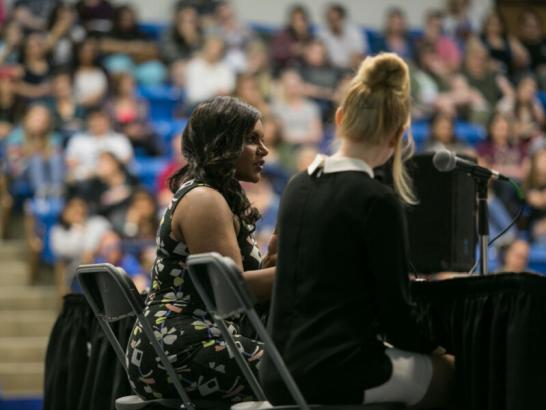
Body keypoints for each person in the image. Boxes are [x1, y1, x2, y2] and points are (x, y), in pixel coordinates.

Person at [260, 53, 454, 408]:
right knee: (446, 372)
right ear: (397, 136)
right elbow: (397, 318)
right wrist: (440, 347)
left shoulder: (296, 186)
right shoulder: (377, 200)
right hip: (331, 371)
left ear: (339, 117)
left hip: (276, 370)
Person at [126, 96, 275, 403]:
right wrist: (307, 268)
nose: (264, 151)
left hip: (189, 343)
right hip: (181, 349)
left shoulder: (214, 195)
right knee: (312, 368)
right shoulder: (204, 200)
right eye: (251, 140)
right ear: (222, 144)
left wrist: (273, 263)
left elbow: (232, 286)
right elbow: (233, 295)